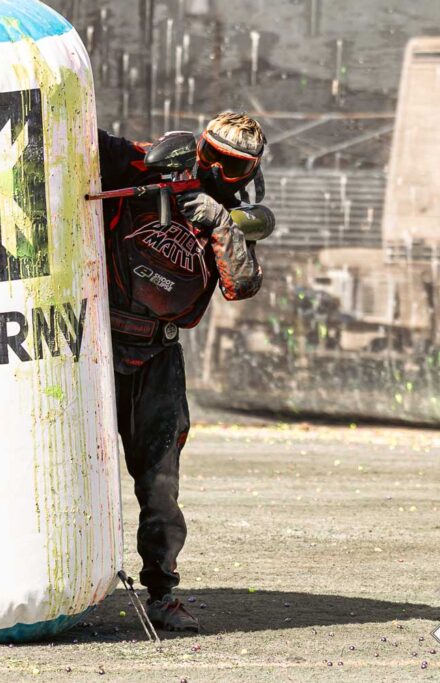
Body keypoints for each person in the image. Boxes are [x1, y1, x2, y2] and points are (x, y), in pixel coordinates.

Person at [98, 111, 268, 633]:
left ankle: (162, 592)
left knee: (160, 484)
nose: (216, 170)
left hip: (157, 354)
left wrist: (219, 222)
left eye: (233, 166)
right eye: (211, 156)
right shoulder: (147, 164)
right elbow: (83, 138)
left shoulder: (232, 220)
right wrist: (152, 172)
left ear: (250, 173)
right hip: (95, 344)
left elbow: (242, 285)